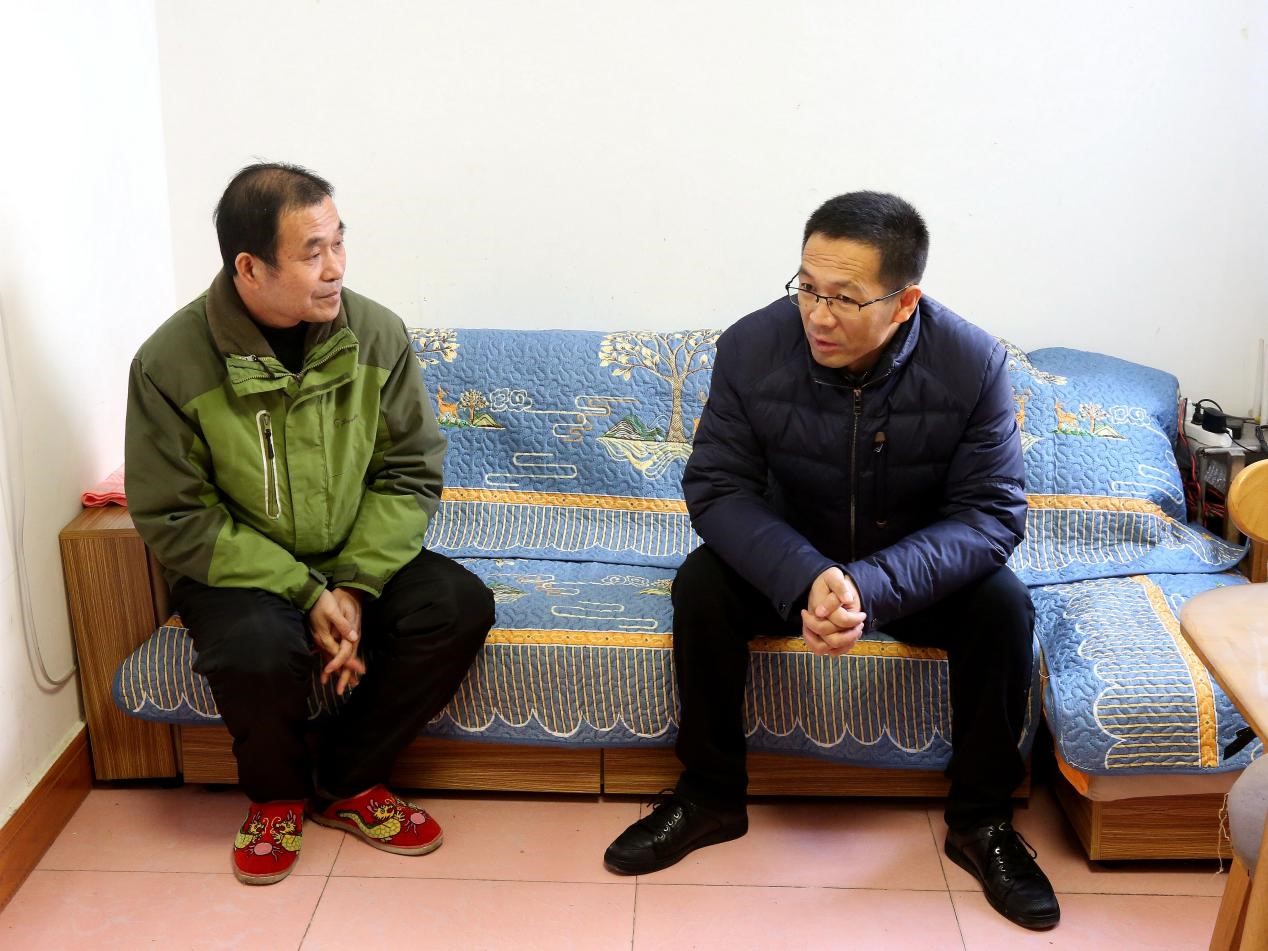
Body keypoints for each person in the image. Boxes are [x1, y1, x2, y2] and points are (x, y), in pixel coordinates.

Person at [603, 191, 1059, 930]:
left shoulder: (972, 362)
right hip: (790, 558)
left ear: (904, 302)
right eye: (807, 288)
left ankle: (982, 821)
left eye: (844, 298)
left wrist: (866, 586)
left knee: (1003, 605)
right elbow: (718, 488)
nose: (817, 315)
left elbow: (990, 514)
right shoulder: (751, 347)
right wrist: (807, 574)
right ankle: (710, 796)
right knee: (702, 584)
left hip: (912, 568)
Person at [125, 162, 494, 885]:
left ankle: (347, 781)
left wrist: (352, 585)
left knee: (457, 606)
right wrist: (303, 591)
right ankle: (276, 798)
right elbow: (176, 514)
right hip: (239, 568)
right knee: (257, 647)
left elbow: (409, 472)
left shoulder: (376, 334)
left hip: (354, 550)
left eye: (339, 242)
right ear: (250, 268)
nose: (336, 268)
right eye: (312, 252)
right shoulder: (170, 363)